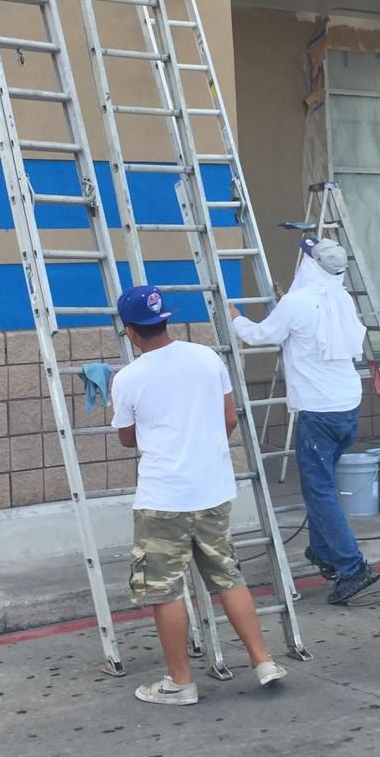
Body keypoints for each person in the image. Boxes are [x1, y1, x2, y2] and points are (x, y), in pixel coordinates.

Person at [110, 283, 287, 705]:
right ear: (165, 320)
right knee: (228, 576)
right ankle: (263, 661)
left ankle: (180, 682)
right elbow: (229, 418)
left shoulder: (128, 378)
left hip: (163, 498)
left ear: (130, 331)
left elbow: (127, 438)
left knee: (165, 589)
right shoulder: (207, 357)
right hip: (212, 489)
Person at [231, 236, 380, 605]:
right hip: (347, 406)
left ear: (311, 265)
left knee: (319, 490)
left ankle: (352, 567)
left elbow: (259, 336)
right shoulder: (341, 298)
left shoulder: (297, 304)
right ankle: (323, 551)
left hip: (318, 411)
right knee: (321, 485)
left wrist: (234, 317)